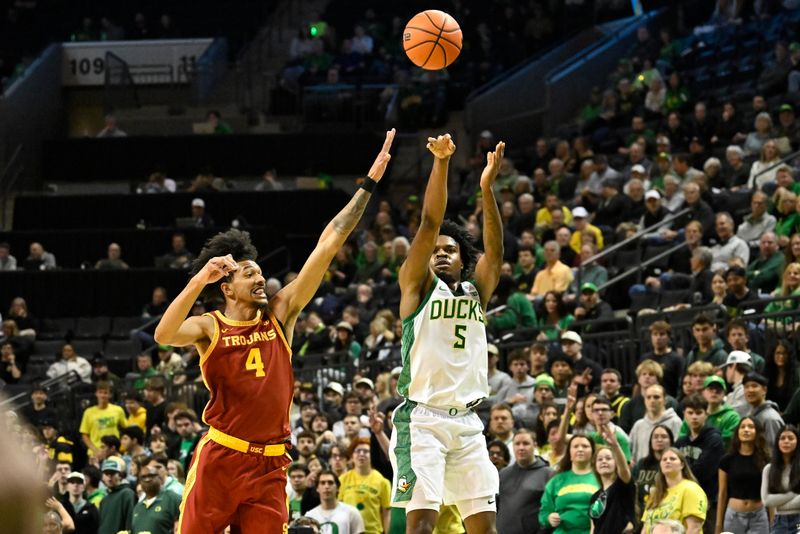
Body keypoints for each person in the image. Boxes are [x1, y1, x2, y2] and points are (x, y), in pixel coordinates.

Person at [153, 129, 395, 534]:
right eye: (250, 273)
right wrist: (200, 279)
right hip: (221, 458)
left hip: (270, 464)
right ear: (226, 288)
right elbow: (163, 334)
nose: (260, 277)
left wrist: (368, 185)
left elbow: (329, 243)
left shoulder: (280, 314)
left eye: (261, 271)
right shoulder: (210, 327)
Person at [389, 134, 505, 534]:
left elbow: (496, 250)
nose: (439, 252)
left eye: (449, 250)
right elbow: (428, 222)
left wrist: (486, 189)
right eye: (435, 250)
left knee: (485, 530)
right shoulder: (417, 287)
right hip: (422, 422)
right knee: (421, 527)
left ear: (463, 260)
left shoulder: (477, 291)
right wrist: (441, 163)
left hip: (469, 423)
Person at [674, 394, 723, 532]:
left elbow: (703, 471)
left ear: (706, 414)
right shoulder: (680, 442)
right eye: (690, 413)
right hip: (682, 501)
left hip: (707, 501)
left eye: (698, 413)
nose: (694, 417)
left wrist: (678, 474)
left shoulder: (714, 440)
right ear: (684, 414)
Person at [716, 417, 770, 534]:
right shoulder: (727, 460)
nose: (746, 430)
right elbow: (722, 493)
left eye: (751, 427)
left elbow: (771, 492)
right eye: (742, 427)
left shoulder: (766, 460)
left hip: (759, 516)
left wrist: (773, 522)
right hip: (734, 516)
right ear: (737, 432)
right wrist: (718, 524)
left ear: (758, 432)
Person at [538, 434, 600, 533]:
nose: (580, 449)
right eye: (575, 446)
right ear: (569, 453)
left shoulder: (601, 479)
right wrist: (549, 518)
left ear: (592, 452)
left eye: (585, 446)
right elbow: (544, 512)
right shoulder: (556, 481)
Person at [497, 429, 553, 534]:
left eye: (526, 443)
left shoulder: (548, 474)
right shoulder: (503, 474)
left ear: (535, 445)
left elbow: (551, 510)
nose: (521, 447)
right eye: (517, 444)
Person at [641, 448, 707, 534]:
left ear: (682, 464)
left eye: (672, 459)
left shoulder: (691, 489)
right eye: (664, 459)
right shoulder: (655, 493)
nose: (667, 461)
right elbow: (645, 528)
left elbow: (694, 528)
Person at [588, 424, 635, 534]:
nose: (604, 461)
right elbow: (593, 527)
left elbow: (624, 469)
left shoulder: (622, 485)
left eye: (608, 458)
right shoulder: (594, 497)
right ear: (595, 466)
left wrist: (615, 446)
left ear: (616, 464)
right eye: (600, 459)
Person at [339, 438, 391, 534]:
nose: (361, 454)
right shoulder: (342, 479)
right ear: (352, 456)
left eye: (366, 451)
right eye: (358, 451)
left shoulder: (382, 482)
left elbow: (386, 515)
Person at [632, 425, 675, 524]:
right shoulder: (641, 464)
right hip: (640, 515)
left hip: (664, 516)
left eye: (664, 437)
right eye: (655, 437)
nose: (659, 439)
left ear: (671, 441)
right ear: (650, 441)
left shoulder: (673, 465)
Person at [762, 425, 800, 534]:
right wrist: (794, 494)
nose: (786, 441)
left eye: (791, 438)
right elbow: (766, 500)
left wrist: (780, 504)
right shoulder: (769, 469)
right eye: (782, 438)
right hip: (779, 521)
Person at [630, 384, 681, 463]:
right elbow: (631, 453)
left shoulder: (675, 422)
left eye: (656, 397)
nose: (652, 400)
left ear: (665, 400)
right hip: (643, 472)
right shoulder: (638, 425)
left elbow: (679, 451)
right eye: (648, 397)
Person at [79, 381, 126, 460]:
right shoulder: (88, 412)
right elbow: (84, 435)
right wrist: (95, 450)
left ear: (110, 395)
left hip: (113, 452)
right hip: (95, 454)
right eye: (100, 392)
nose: (103, 395)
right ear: (96, 394)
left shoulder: (118, 410)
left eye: (105, 393)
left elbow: (125, 429)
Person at [131, 465, 181, 534]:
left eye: (151, 476)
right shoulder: (138, 507)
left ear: (159, 478)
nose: (147, 479)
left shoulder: (173, 499)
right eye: (143, 477)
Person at [743, 372, 784, 447]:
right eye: (746, 387)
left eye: (754, 386)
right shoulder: (750, 413)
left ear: (764, 390)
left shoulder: (770, 418)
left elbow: (772, 450)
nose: (750, 390)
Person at [98, 457, 135, 534]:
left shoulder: (127, 493)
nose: (109, 477)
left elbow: (130, 523)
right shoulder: (104, 500)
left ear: (120, 475)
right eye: (106, 474)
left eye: (112, 473)